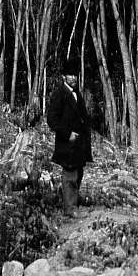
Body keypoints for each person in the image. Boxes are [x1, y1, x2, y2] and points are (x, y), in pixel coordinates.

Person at [46, 57, 93, 216]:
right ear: (63, 77)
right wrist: (67, 134)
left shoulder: (77, 94)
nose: (73, 78)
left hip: (79, 144)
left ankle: (73, 202)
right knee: (69, 175)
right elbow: (51, 119)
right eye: (70, 75)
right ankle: (70, 208)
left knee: (79, 172)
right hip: (67, 143)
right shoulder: (60, 94)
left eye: (75, 75)